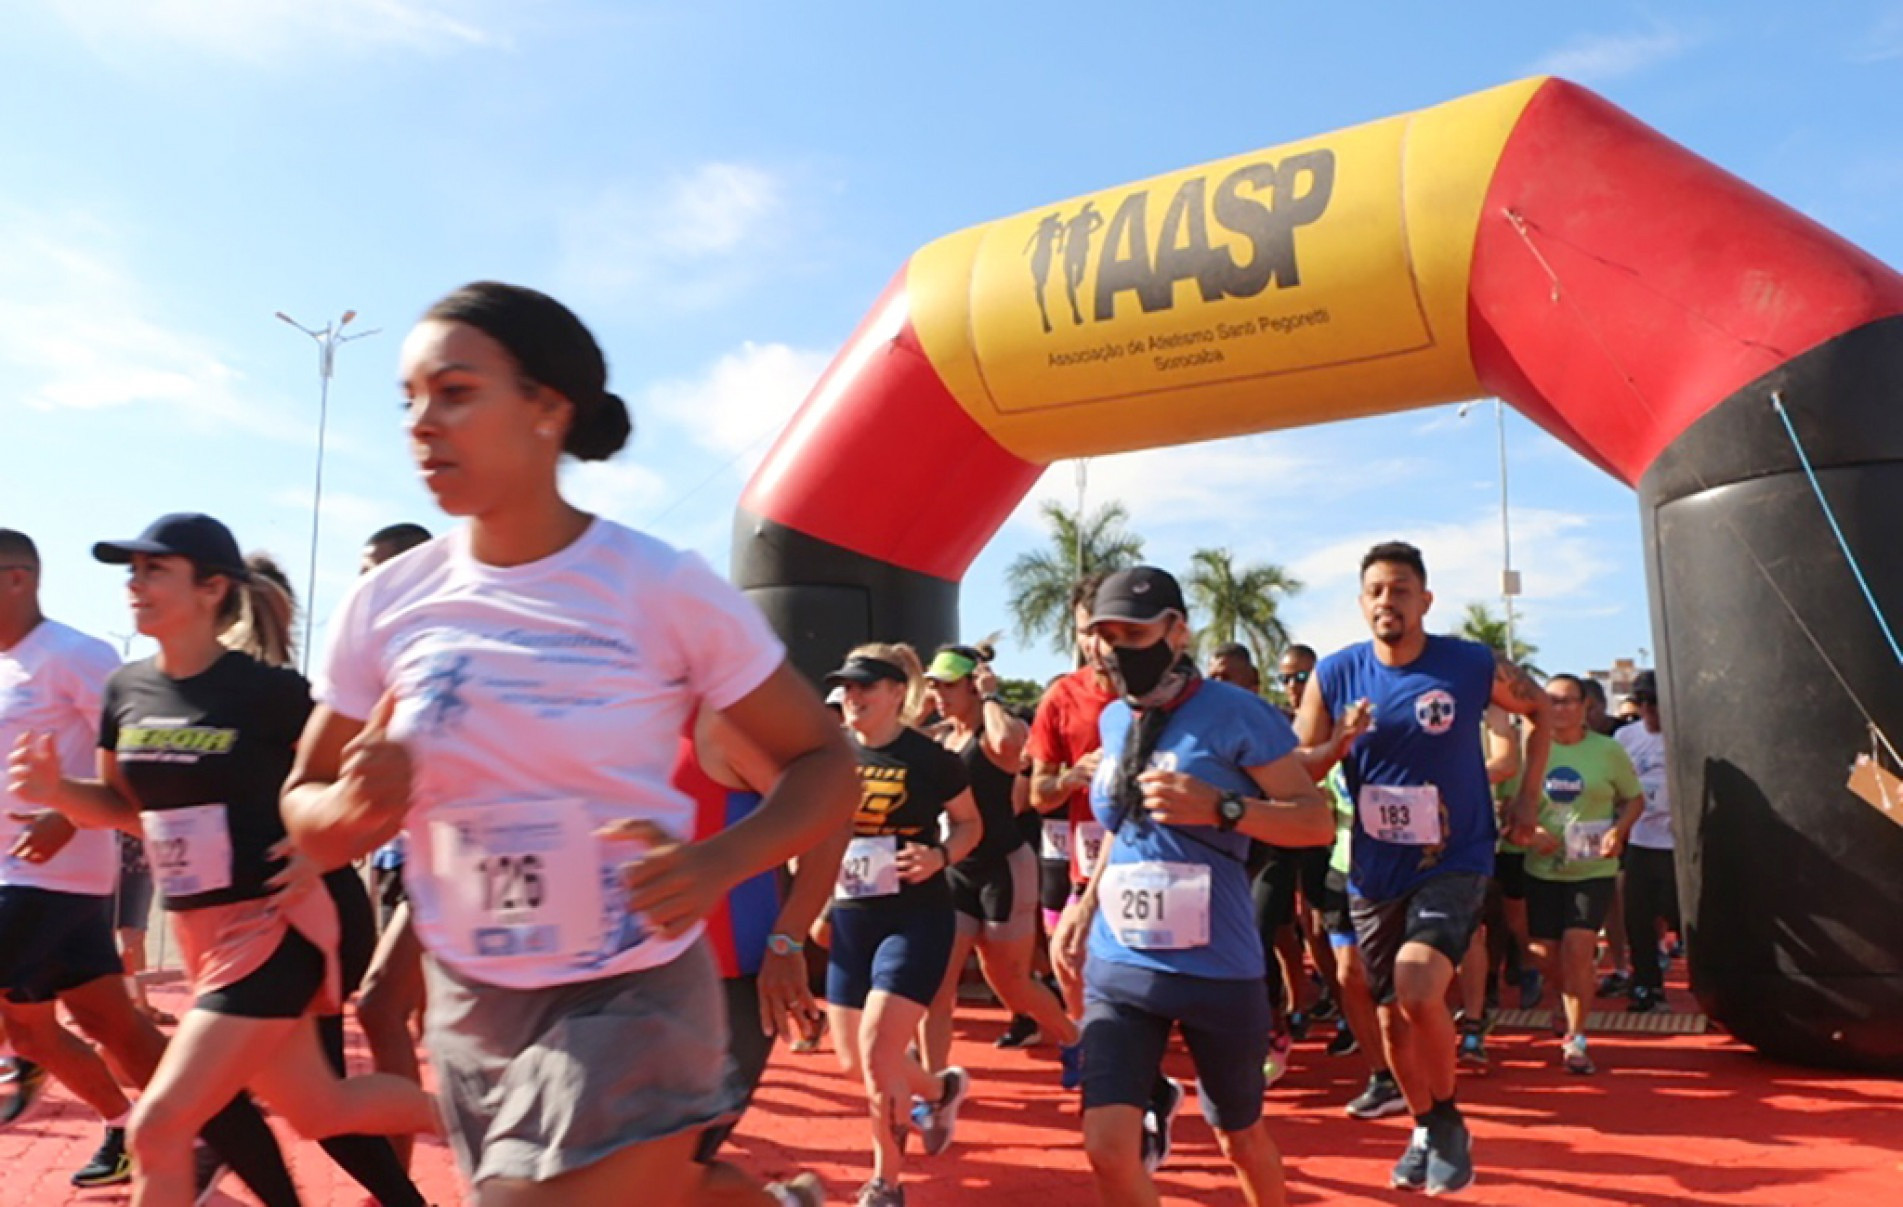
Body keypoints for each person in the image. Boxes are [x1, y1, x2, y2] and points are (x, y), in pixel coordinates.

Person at [280, 281, 859, 1207]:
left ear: (547, 407)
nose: (421, 423)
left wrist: (720, 864)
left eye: (456, 392)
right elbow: (303, 803)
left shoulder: (658, 586)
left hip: (632, 987)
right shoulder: (388, 603)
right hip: (475, 999)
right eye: (410, 400)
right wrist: (346, 810)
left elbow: (827, 764)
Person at [9, 513, 440, 1207]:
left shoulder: (268, 692)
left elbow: (365, 780)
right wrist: (57, 791)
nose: (134, 584)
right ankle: (489, 1119)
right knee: (321, 1109)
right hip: (204, 933)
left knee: (159, 1124)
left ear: (212, 588)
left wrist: (327, 846)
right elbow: (127, 805)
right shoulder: (128, 690)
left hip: (286, 916)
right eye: (132, 571)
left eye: (155, 570)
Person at [1053, 567, 1334, 1207]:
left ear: (1176, 632)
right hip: (1120, 965)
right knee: (1105, 1148)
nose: (1114, 647)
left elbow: (1315, 822)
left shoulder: (1236, 714)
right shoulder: (1115, 722)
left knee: (1238, 1137)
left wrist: (1222, 808)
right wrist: (1085, 903)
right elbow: (1124, 827)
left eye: (1133, 631)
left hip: (1217, 970)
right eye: (1103, 634)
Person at [1296, 541, 1551, 1197]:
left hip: (1455, 855)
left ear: (1424, 600)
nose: (1388, 600)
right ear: (1361, 603)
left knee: (1415, 986)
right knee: (1388, 1019)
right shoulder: (1334, 673)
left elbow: (1539, 710)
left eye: (1401, 589)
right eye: (1376, 589)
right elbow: (1299, 766)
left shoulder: (1466, 662)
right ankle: (1423, 1123)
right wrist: (1338, 741)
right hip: (1374, 868)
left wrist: (1525, 797)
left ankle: (1445, 1123)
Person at [825, 644, 982, 1207]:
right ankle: (942, 1089)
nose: (853, 696)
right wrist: (813, 906)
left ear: (897, 694)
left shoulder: (931, 758)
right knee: (852, 1060)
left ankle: (885, 1184)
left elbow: (969, 825)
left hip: (915, 914)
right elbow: (816, 837)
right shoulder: (829, 755)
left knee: (877, 1049)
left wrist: (941, 857)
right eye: (847, 686)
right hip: (850, 917)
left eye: (866, 686)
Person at [679, 706, 841, 1207]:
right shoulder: (596, 725)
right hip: (624, 986)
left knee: (670, 1168)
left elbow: (829, 815)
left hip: (729, 989)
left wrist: (788, 938)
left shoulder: (716, 723)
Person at [918, 645, 1079, 1082]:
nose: (940, 694)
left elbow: (1011, 744)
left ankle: (1072, 1037)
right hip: (955, 869)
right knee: (938, 985)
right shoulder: (942, 736)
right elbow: (897, 735)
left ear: (974, 685)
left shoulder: (992, 734)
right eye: (935, 686)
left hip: (1003, 868)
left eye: (949, 685)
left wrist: (991, 696)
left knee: (1011, 982)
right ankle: (934, 1087)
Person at [1278, 640, 1405, 1120]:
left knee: (1400, 982)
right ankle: (1381, 1075)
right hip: (1343, 866)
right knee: (1350, 975)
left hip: (1399, 871)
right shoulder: (1314, 748)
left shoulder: (1380, 736)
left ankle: (1417, 1066)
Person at [346, 521, 434, 1172]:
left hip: (481, 864)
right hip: (415, 863)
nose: (362, 581)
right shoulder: (378, 657)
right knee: (388, 1005)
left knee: (383, 1003)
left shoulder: (444, 645)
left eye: (373, 567)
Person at [1524, 674, 1645, 1074]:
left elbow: (1634, 799)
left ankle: (1576, 1038)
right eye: (1551, 701)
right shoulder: (1531, 750)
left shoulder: (1607, 751)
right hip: (1542, 866)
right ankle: (1567, 995)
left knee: (1578, 946)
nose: (1559, 708)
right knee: (1543, 953)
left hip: (1592, 865)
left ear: (1584, 707)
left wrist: (1617, 831)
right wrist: (1528, 832)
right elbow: (1509, 809)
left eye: (1567, 701)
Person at [1027, 575, 1116, 1021]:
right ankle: (1093, 1050)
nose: (1095, 643)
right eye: (1085, 632)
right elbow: (1037, 796)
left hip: (1166, 860)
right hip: (1088, 860)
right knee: (1071, 963)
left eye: (1104, 630)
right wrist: (1071, 778)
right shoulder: (1062, 697)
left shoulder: (1169, 691)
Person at [1616, 671, 1678, 1015]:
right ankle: (1646, 985)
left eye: (1656, 704)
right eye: (1644, 703)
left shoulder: (1684, 734)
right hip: (1639, 839)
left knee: (1679, 917)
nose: (1650, 711)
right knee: (1637, 918)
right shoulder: (1625, 737)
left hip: (1676, 843)